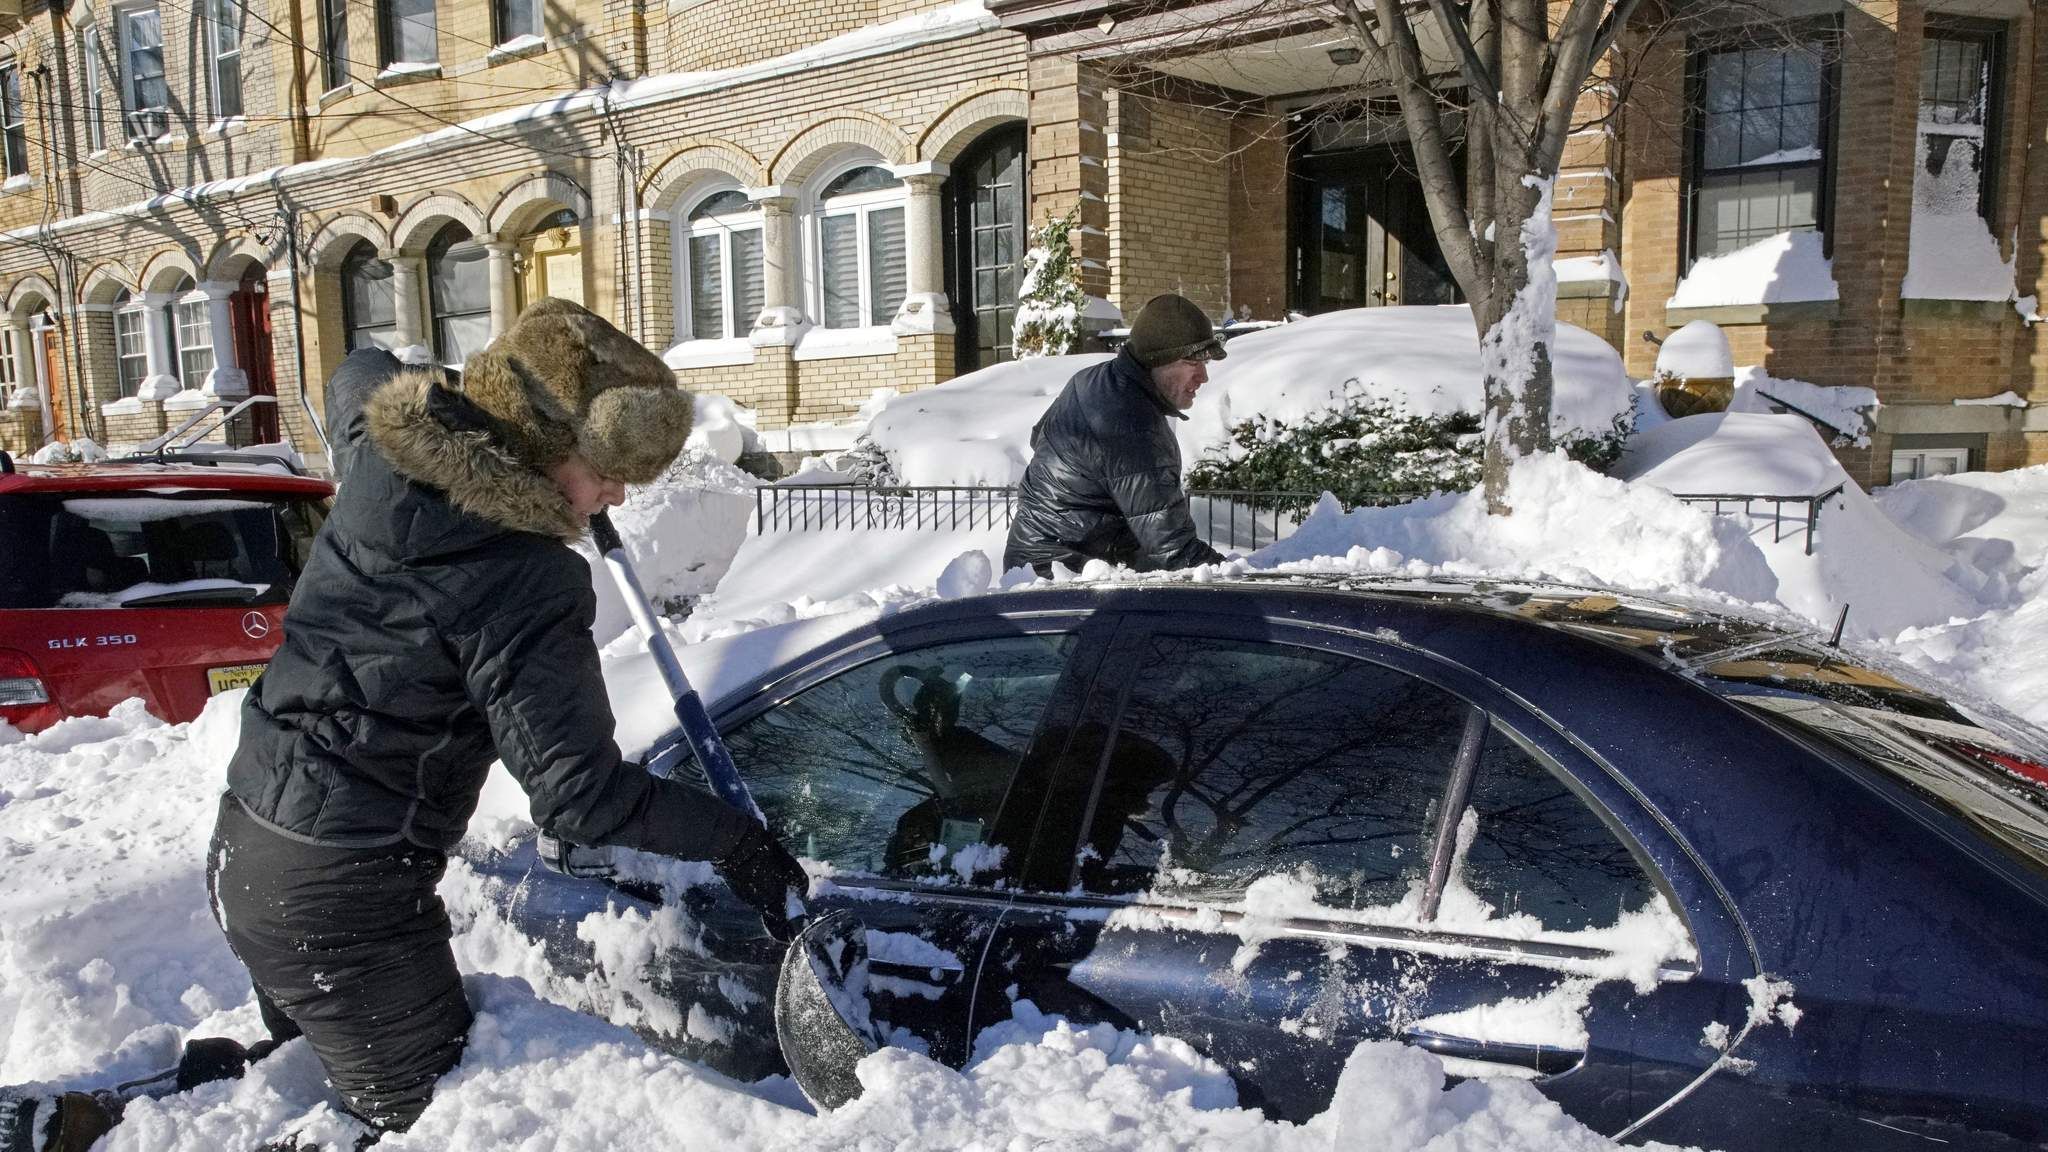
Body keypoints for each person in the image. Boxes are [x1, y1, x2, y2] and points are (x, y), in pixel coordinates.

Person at [205, 297, 808, 1138]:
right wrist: (736, 841)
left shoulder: (382, 455)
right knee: (434, 1125)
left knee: (319, 1079)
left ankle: (164, 1109)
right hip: (347, 897)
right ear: (538, 445)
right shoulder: (523, 581)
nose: (619, 490)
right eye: (601, 465)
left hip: (248, 843)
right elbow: (580, 797)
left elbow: (358, 372)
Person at [1003, 293, 1229, 575]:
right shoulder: (1131, 422)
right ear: (1158, 359)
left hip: (1035, 559)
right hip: (1063, 576)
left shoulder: (1095, 380)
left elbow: (1041, 440)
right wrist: (1239, 576)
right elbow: (1174, 550)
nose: (1203, 377)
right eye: (1193, 363)